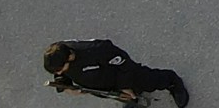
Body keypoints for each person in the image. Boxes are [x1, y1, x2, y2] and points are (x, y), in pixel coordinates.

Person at [43, 41, 191, 107]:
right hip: (101, 85)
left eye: (61, 70)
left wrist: (125, 85)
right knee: (124, 97)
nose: (60, 72)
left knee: (148, 80)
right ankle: (133, 99)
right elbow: (60, 74)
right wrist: (66, 86)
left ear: (69, 57)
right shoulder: (60, 54)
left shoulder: (98, 50)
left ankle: (172, 81)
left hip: (121, 74)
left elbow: (124, 63)